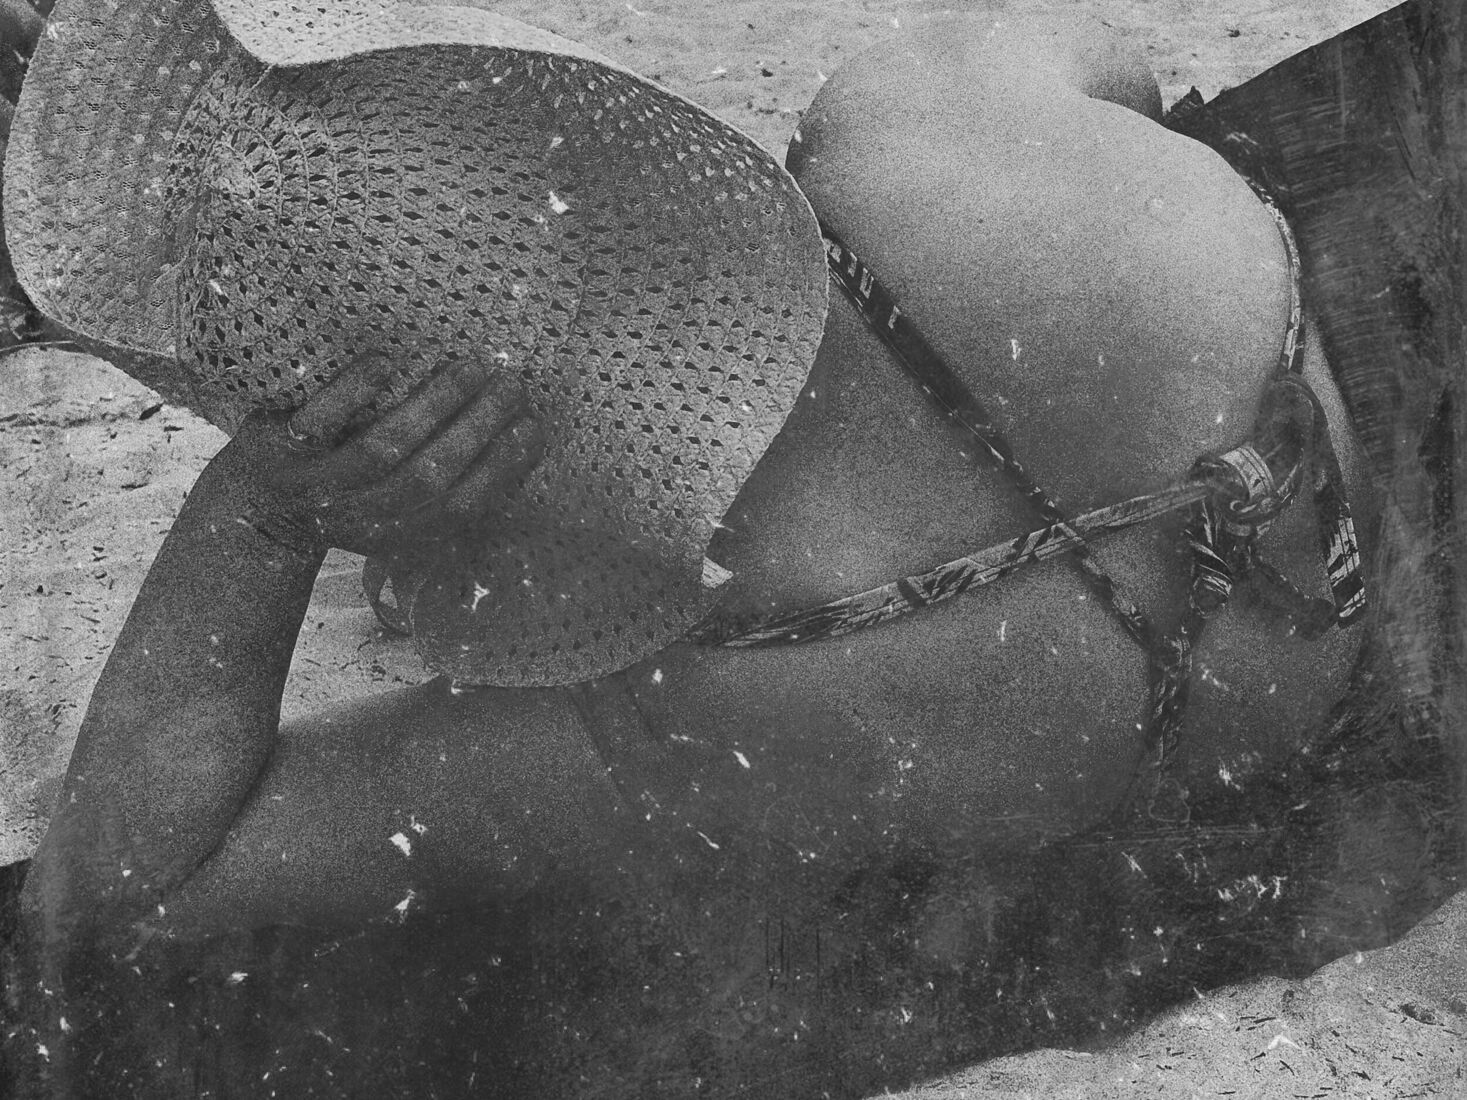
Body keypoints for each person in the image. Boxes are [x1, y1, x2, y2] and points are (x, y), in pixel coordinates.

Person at [3, 4, 1454, 1098]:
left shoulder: (669, 722)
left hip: (1260, 713)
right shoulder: (920, 137)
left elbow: (121, 878)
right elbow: (1114, 60)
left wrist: (261, 511)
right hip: (1340, 424)